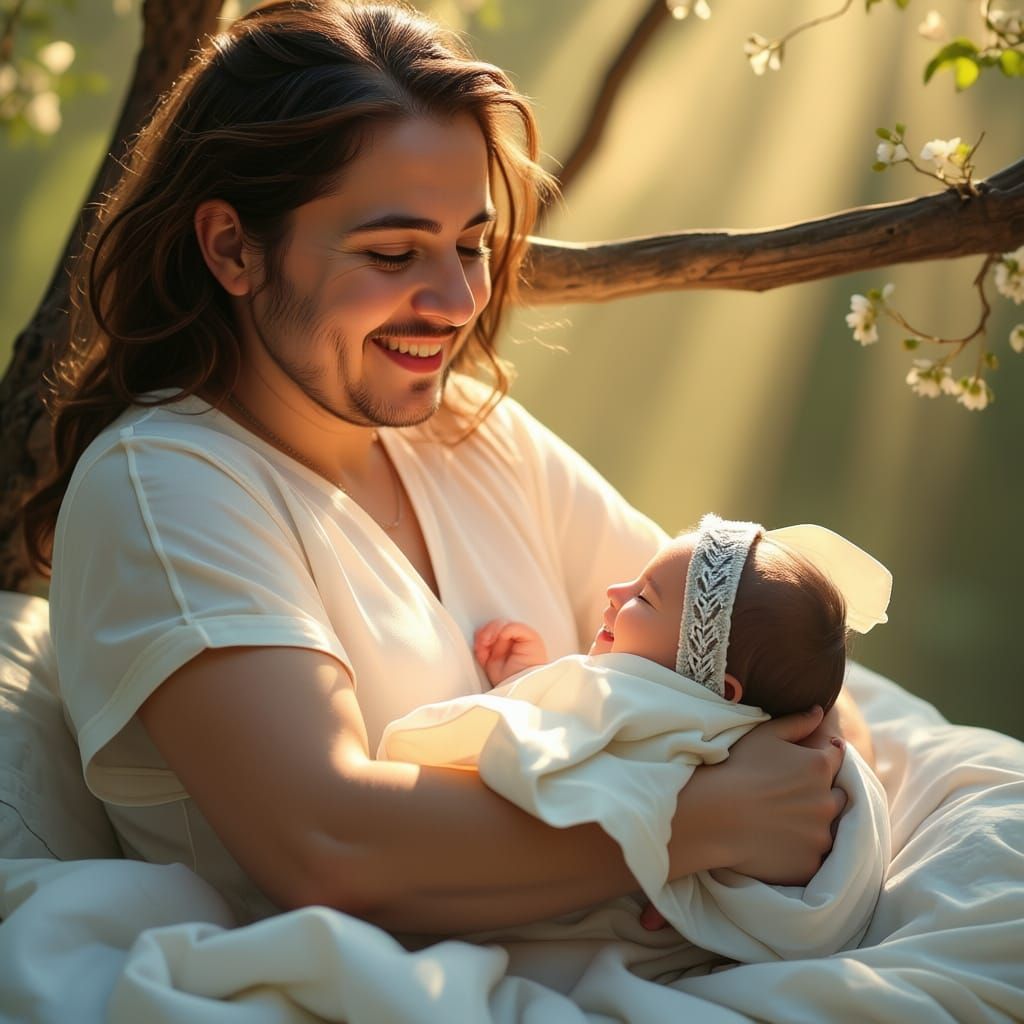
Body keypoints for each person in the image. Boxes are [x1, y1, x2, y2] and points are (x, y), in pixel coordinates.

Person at [23, 0, 861, 933]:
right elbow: (328, 842)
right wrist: (690, 824)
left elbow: (758, 649)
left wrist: (791, 773)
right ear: (232, 249)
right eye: (393, 253)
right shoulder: (164, 489)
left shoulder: (466, 429)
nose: (460, 300)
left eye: (470, 245)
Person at [475, 514, 891, 718]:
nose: (615, 591)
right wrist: (532, 677)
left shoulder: (643, 716)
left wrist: (527, 684)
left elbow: (548, 739)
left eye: (644, 598)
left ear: (718, 688)